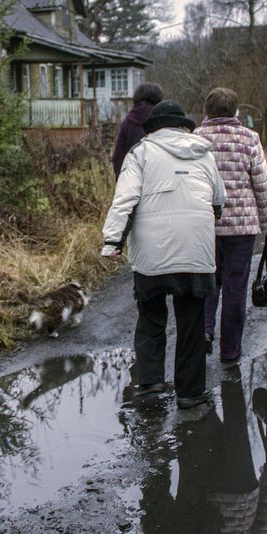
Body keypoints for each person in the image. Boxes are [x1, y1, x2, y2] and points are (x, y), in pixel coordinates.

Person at [101, 100, 226, 409]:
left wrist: (113, 241)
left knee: (151, 316)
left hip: (152, 252)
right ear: (183, 125)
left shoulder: (140, 153)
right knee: (191, 323)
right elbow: (218, 200)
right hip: (195, 249)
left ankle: (150, 382)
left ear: (153, 128)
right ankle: (190, 393)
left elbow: (124, 199)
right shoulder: (204, 153)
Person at [194, 88, 267, 366]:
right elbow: (262, 185)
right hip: (242, 228)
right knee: (235, 288)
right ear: (236, 111)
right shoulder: (249, 138)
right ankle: (230, 352)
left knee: (207, 281)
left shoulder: (196, 139)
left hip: (205, 225)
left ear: (207, 110)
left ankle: (205, 331)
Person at [111, 81, 163, 178]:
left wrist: (122, 180)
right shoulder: (163, 120)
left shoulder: (128, 122)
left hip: (133, 176)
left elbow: (118, 158)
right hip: (158, 177)